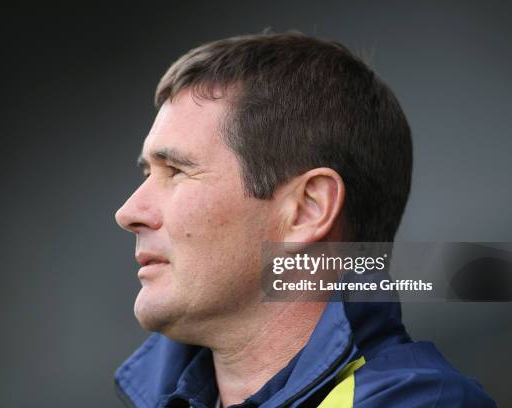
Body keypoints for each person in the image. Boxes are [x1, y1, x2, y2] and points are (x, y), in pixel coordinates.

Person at [114, 32, 495, 407]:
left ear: (307, 209)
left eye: (177, 171)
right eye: (148, 174)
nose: (128, 213)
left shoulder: (424, 402)